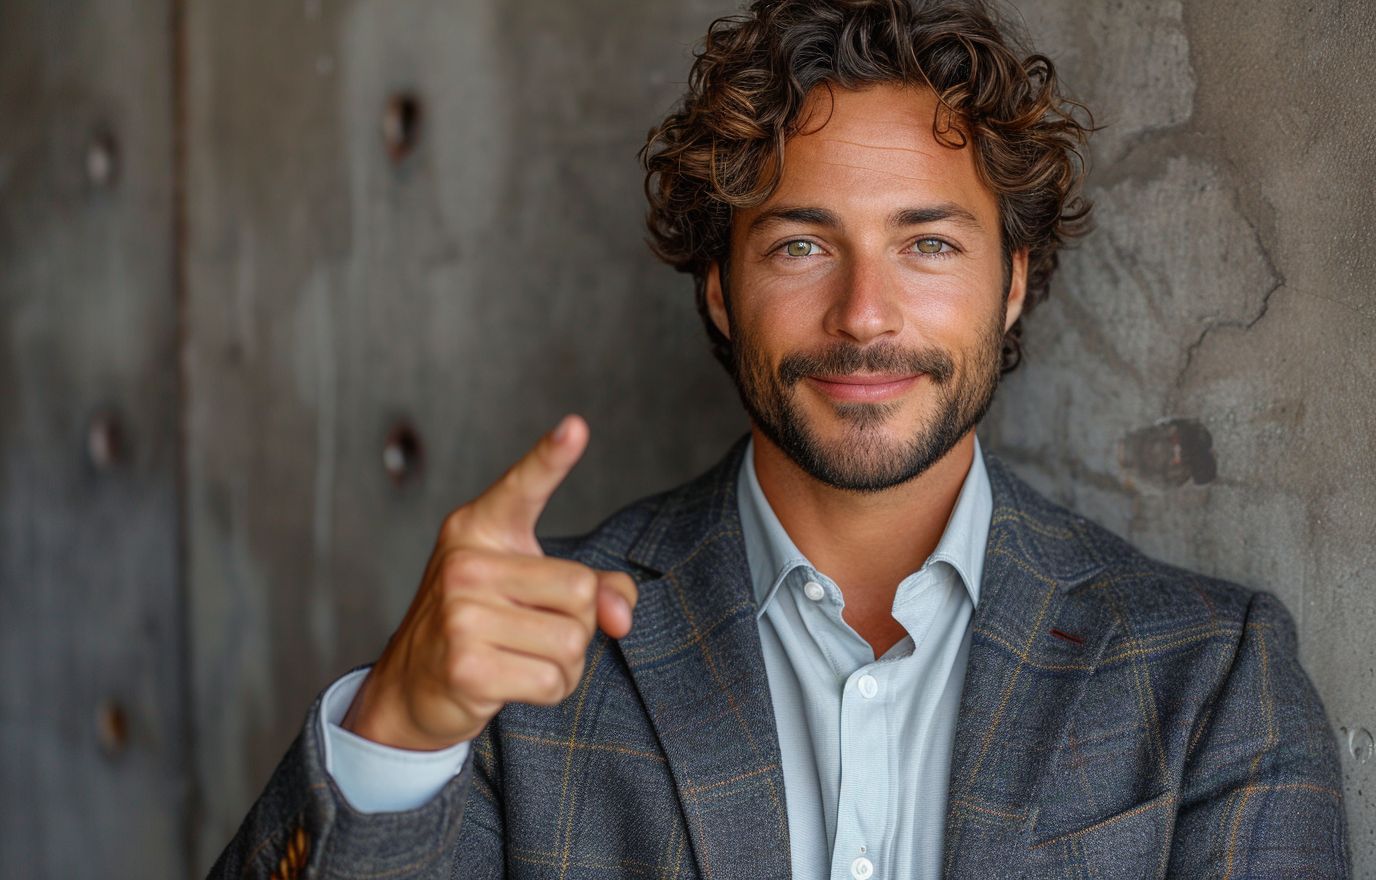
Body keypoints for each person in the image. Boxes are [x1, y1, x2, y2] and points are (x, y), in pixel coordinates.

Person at [210, 0, 1350, 877]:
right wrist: (393, 734)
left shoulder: (1212, 677)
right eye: (801, 245)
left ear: (1012, 284)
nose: (863, 312)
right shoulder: (528, 667)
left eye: (929, 245)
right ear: (717, 287)